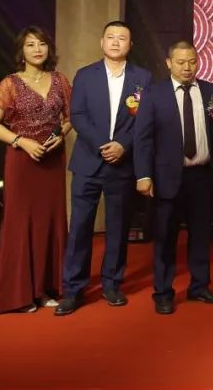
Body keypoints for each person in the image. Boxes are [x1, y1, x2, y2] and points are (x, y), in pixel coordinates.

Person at [56, 20, 152, 315]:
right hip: (88, 162)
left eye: (122, 38)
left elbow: (144, 119)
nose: (115, 42)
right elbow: (78, 115)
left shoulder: (143, 78)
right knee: (80, 228)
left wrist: (122, 145)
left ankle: (112, 283)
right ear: (102, 42)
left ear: (130, 45)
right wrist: (104, 144)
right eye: (111, 37)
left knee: (118, 228)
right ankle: (73, 289)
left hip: (122, 164)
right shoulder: (85, 75)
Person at [0, 26, 72, 314]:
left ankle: (46, 289)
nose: (37, 49)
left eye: (42, 44)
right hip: (22, 161)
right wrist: (21, 141)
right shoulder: (10, 83)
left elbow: (70, 118)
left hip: (52, 160)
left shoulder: (60, 80)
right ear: (21, 51)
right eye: (31, 45)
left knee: (50, 222)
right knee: (21, 224)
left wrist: (61, 134)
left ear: (49, 49)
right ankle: (19, 295)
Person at [134, 41, 213, 314]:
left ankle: (200, 287)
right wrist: (143, 175)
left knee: (201, 235)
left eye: (192, 62)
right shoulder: (154, 94)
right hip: (166, 177)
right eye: (181, 62)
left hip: (202, 176)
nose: (187, 68)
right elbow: (143, 139)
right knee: (165, 237)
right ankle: (163, 292)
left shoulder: (212, 91)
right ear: (169, 63)